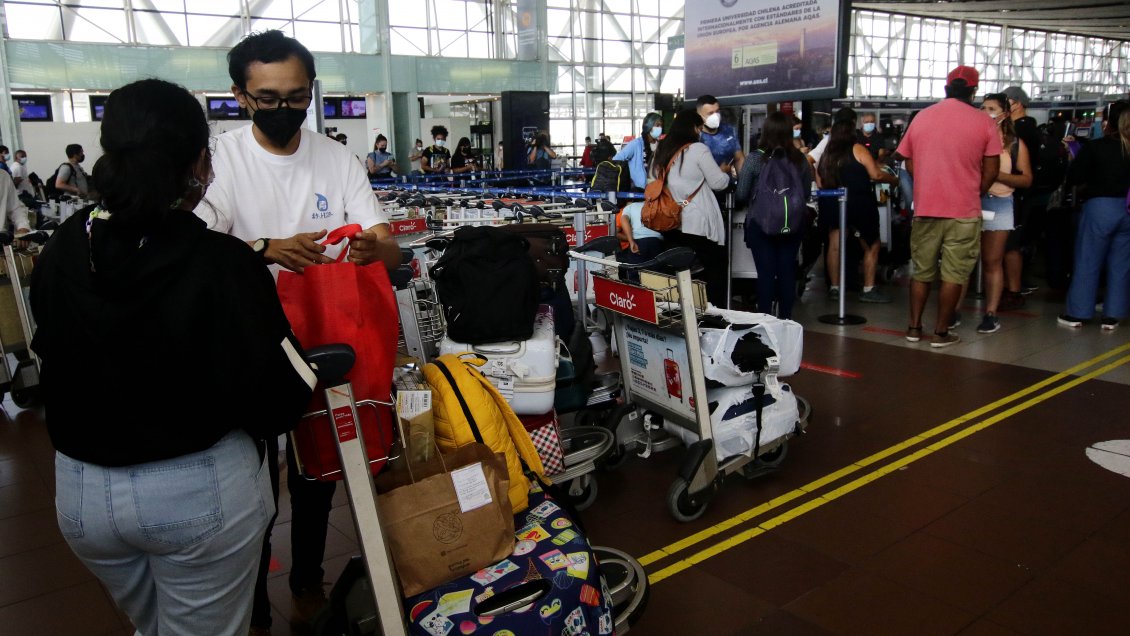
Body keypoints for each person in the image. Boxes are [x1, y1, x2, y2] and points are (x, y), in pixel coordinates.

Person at [31, 78, 315, 636]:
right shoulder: (220, 262)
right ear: (201, 164)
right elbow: (278, 396)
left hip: (83, 493)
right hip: (196, 488)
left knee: (151, 625)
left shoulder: (64, 247)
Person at [196, 30, 401, 634]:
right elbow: (200, 248)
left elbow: (387, 248)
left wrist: (371, 247)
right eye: (268, 97)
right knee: (255, 486)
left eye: (296, 97)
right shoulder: (221, 159)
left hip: (327, 338)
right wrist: (266, 248)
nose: (283, 108)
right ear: (240, 94)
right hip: (249, 343)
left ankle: (307, 582)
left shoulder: (337, 158)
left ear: (312, 92)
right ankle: (253, 602)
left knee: (318, 470)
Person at [896, 65, 1001, 348]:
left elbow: (907, 159)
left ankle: (914, 328)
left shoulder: (922, 117)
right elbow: (992, 168)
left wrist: (927, 182)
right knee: (954, 274)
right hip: (964, 210)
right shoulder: (985, 122)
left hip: (927, 207)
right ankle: (941, 333)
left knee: (921, 271)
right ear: (974, 90)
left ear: (946, 87)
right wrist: (973, 190)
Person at [1058, 102, 1130, 330]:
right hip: (1128, 209)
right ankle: (1113, 315)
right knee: (1121, 264)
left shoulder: (1096, 147)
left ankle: (1078, 313)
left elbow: (1075, 177)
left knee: (1088, 259)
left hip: (1100, 207)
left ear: (1108, 120)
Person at [816, 107, 899, 304]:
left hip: (833, 202)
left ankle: (835, 288)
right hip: (859, 203)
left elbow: (819, 178)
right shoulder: (858, 149)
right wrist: (893, 180)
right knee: (871, 244)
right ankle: (869, 288)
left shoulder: (827, 153)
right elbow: (876, 174)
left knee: (834, 244)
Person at [735, 112, 814, 318]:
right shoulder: (800, 160)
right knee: (787, 272)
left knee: (766, 275)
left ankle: (766, 321)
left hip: (760, 226)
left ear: (765, 131)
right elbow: (805, 193)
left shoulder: (754, 159)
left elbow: (742, 193)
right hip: (791, 225)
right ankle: (786, 320)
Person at [652, 108, 733, 306]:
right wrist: (724, 172)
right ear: (694, 128)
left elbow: (653, 181)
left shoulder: (662, 150)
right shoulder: (698, 150)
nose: (700, 132)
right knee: (716, 269)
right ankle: (715, 315)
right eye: (699, 128)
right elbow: (718, 183)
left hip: (671, 221)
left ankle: (682, 313)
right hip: (698, 224)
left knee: (679, 271)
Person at [976, 93, 1032, 334]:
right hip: (972, 201)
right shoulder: (972, 139)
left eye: (990, 108)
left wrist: (996, 175)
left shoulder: (1014, 144)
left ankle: (991, 312)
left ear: (1004, 114)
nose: (984, 112)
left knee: (992, 261)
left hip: (1000, 203)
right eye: (982, 107)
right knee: (963, 261)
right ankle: (952, 312)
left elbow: (1027, 179)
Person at [613, 112, 663, 190]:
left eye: (661, 125)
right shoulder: (636, 144)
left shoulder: (660, 145)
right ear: (649, 126)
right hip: (640, 189)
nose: (660, 128)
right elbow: (617, 159)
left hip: (657, 188)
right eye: (657, 125)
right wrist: (628, 175)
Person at [696, 95, 744, 174]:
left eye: (717, 111)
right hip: (706, 185)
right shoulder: (695, 137)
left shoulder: (729, 130)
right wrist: (717, 173)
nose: (715, 116)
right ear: (699, 115)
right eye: (710, 113)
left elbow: (739, 158)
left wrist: (742, 184)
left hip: (728, 184)